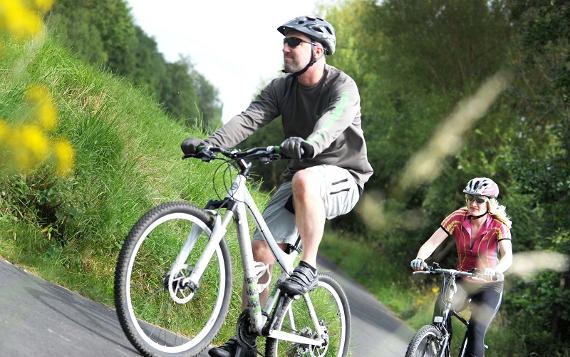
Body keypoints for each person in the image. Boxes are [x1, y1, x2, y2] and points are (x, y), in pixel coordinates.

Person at [181, 15, 373, 357]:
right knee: (260, 253)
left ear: (317, 50)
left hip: (343, 176)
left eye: (294, 42)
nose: (286, 48)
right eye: (285, 42)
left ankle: (309, 266)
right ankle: (245, 342)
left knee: (304, 178)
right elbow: (249, 118)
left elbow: (333, 120)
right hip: (301, 176)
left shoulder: (343, 86)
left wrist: (311, 144)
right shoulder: (280, 88)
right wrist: (212, 143)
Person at [410, 177, 513, 357]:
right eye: (470, 198)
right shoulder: (457, 217)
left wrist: (496, 270)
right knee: (441, 311)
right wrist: (420, 258)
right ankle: (440, 345)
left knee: (476, 331)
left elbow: (507, 256)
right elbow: (432, 243)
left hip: (489, 283)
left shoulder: (498, 225)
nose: (473, 203)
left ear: (489, 203)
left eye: (479, 200)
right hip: (462, 277)